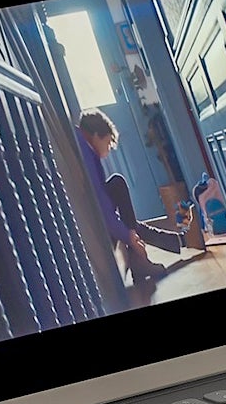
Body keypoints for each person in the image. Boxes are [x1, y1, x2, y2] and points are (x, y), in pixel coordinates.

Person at [74, 109, 190, 285]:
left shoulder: (82, 144)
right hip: (92, 216)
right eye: (108, 142)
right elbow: (101, 205)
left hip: (94, 211)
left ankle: (171, 245)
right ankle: (170, 246)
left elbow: (102, 200)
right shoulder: (86, 152)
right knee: (119, 189)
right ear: (97, 136)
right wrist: (128, 236)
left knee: (129, 223)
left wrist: (128, 233)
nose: (108, 149)